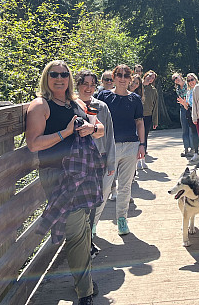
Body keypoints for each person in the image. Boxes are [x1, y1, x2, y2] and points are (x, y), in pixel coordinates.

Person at [25, 60, 103, 305]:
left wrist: (91, 129)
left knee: (80, 227)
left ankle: (86, 281)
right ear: (46, 78)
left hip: (84, 170)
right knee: (77, 229)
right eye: (53, 74)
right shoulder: (40, 105)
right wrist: (66, 132)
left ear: (69, 78)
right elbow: (33, 144)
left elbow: (99, 127)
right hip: (58, 174)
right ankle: (85, 293)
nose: (59, 78)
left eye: (64, 74)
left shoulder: (76, 103)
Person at [96, 65, 146, 236]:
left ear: (131, 78)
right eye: (119, 75)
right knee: (105, 186)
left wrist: (142, 144)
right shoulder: (104, 96)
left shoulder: (135, 99)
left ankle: (122, 220)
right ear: (114, 77)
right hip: (110, 147)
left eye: (126, 75)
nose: (122, 78)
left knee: (125, 186)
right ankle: (93, 223)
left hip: (130, 146)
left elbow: (139, 122)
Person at [74, 69, 116, 259]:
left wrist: (111, 162)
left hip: (98, 159)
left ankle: (89, 240)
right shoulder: (71, 105)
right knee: (78, 204)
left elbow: (108, 135)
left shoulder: (102, 107)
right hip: (77, 162)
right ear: (78, 85)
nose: (89, 88)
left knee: (93, 203)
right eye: (85, 84)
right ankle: (80, 242)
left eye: (92, 84)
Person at [141, 70, 159, 168]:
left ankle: (143, 159)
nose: (150, 78)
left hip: (148, 116)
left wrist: (155, 121)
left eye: (152, 78)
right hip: (137, 116)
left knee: (144, 137)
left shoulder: (153, 90)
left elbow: (155, 106)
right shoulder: (138, 86)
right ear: (145, 75)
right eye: (149, 76)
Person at [173, 72, 193, 157]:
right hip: (182, 108)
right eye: (174, 79)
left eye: (176, 77)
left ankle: (193, 149)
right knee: (184, 128)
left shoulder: (187, 84)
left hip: (190, 107)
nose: (176, 80)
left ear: (180, 76)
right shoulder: (177, 89)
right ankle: (186, 149)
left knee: (191, 128)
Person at [185, 72, 199, 161]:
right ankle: (196, 153)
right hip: (191, 114)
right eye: (189, 80)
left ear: (195, 79)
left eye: (192, 79)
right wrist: (184, 104)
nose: (191, 82)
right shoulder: (188, 92)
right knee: (194, 134)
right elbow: (187, 105)